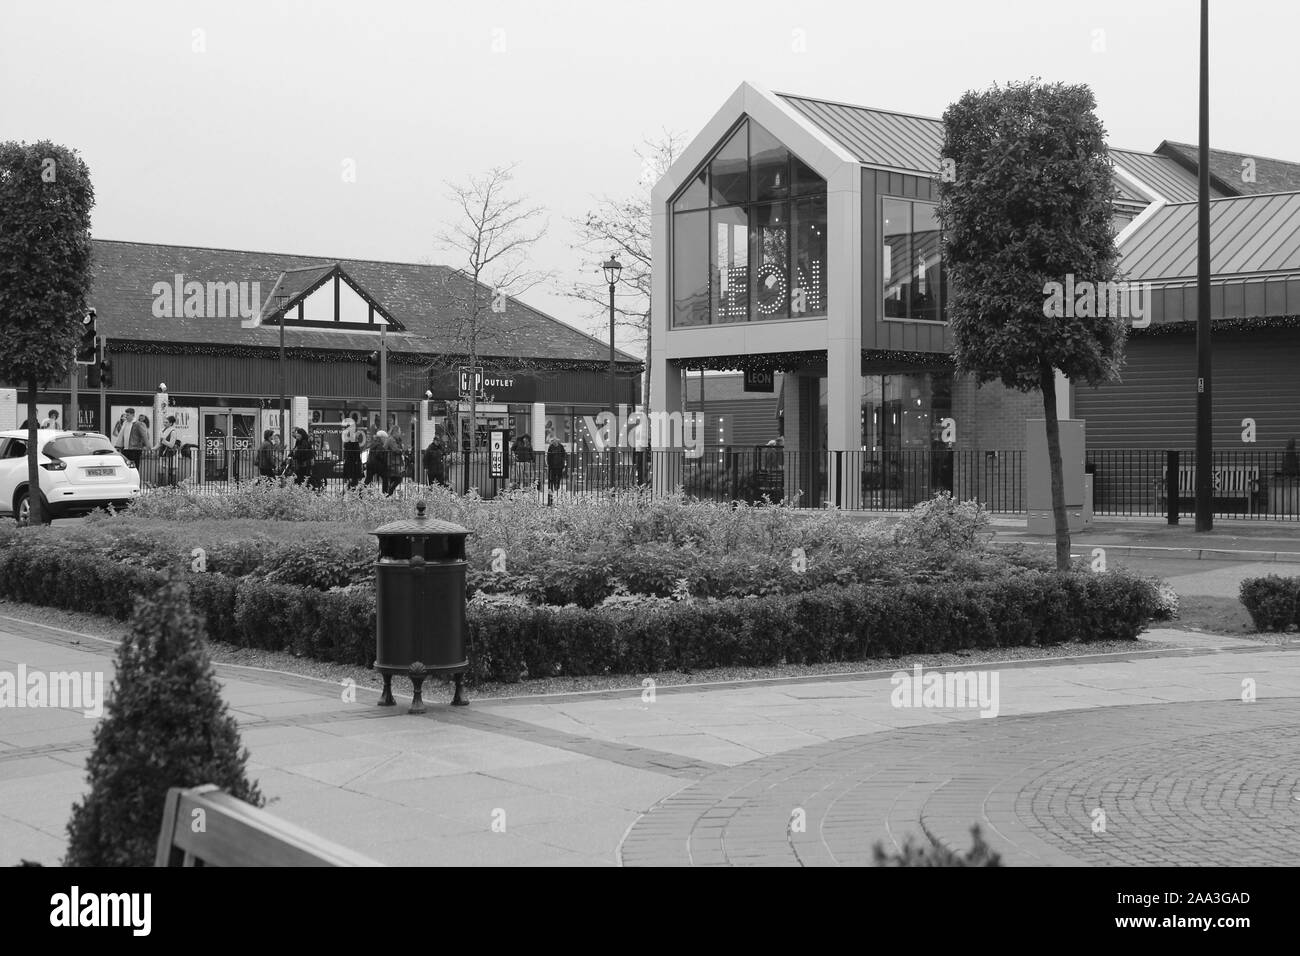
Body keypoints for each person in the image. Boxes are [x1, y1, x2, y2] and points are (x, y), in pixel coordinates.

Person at [156, 415, 182, 486]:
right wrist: (154, 448)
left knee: (172, 469)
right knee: (161, 468)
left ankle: (172, 485)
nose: (164, 424)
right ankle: (160, 484)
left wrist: (164, 441)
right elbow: (159, 443)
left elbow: (171, 445)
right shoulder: (162, 430)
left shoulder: (173, 432)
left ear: (171, 423)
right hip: (163, 452)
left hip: (171, 453)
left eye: (166, 422)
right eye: (164, 422)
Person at [341, 417, 363, 491]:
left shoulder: (347, 443)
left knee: (352, 481)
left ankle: (348, 492)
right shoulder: (353, 444)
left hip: (350, 464)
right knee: (354, 481)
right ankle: (353, 493)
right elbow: (356, 454)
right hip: (353, 465)